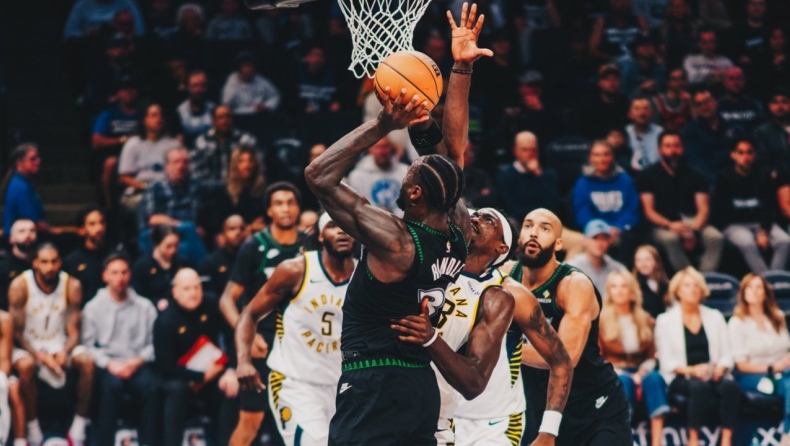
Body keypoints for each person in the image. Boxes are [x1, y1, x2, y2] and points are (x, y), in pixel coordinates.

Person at [304, 3, 486, 443]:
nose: (407, 170)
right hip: (419, 387)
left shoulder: (396, 240)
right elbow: (453, 155)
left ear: (416, 194)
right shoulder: (458, 233)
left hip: (373, 384)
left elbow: (318, 175)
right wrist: (461, 69)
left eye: (411, 173)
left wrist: (382, 124)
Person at [392, 208, 573, 446]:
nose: (475, 219)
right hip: (443, 412)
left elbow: (561, 361)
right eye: (475, 215)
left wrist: (549, 431)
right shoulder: (436, 270)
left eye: (488, 220)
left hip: (495, 423)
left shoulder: (511, 294)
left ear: (502, 247)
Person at [507, 208, 632, 445]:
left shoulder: (573, 284)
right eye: (528, 225)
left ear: (559, 244)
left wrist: (503, 348)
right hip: (538, 404)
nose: (534, 233)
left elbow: (565, 357)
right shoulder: (504, 276)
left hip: (594, 405)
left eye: (545, 229)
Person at [235, 213, 357, 445]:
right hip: (295, 383)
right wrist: (243, 360)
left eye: (347, 226)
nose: (342, 231)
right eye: (333, 226)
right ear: (320, 236)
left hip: (344, 386)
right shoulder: (295, 270)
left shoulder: (365, 276)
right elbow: (249, 314)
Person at [219, 181, 305, 446]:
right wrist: (248, 335)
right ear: (269, 210)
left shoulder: (310, 244)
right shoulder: (253, 246)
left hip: (301, 344)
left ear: (298, 208)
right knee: (250, 423)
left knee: (304, 420)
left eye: (290, 203)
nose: (285, 209)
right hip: (263, 343)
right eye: (279, 203)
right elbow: (226, 300)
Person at [8, 244, 94, 446]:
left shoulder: (71, 285)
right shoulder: (20, 285)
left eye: (54, 261)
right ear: (35, 263)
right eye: (44, 262)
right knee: (26, 365)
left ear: (60, 262)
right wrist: (41, 356)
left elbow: (74, 331)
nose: (50, 267)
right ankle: (33, 428)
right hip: (28, 346)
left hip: (60, 343)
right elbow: (17, 333)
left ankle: (78, 427)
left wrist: (65, 351)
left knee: (88, 362)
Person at [655, 267, 739, 446]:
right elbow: (666, 362)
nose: (692, 289)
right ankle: (693, 439)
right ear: (678, 291)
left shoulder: (715, 316)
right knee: (698, 387)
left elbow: (727, 354)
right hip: (682, 376)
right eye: (687, 285)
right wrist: (691, 370)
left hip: (712, 373)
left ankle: (726, 439)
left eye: (696, 286)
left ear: (702, 291)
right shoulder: (665, 320)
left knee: (730, 386)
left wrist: (720, 369)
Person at [82, 253, 159, 446]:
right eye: (114, 273)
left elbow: (154, 344)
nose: (120, 278)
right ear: (105, 276)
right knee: (111, 388)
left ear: (130, 275)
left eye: (124, 272)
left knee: (151, 387)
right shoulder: (93, 307)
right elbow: (87, 346)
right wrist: (109, 364)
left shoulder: (145, 306)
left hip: (137, 362)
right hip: (108, 363)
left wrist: (137, 362)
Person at [155, 268, 237, 445]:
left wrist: (231, 370)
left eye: (196, 287)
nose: (193, 293)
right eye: (186, 289)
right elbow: (166, 367)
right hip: (181, 377)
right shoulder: (164, 321)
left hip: (214, 371)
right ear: (175, 292)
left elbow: (233, 337)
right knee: (177, 391)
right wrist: (201, 376)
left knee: (231, 386)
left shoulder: (212, 304)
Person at [598, 270, 668, 446]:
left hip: (641, 369)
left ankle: (657, 442)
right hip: (614, 371)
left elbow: (652, 355)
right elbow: (598, 357)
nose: (619, 291)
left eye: (624, 286)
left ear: (631, 291)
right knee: (623, 382)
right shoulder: (601, 321)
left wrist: (641, 372)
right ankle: (625, 440)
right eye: (614, 287)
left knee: (655, 379)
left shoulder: (645, 318)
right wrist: (620, 371)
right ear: (609, 292)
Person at [637, 131, 723, 273]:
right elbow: (649, 211)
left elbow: (704, 209)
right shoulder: (648, 175)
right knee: (670, 239)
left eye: (676, 146)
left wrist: (693, 230)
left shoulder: (696, 174)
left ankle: (705, 278)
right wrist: (669, 225)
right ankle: (687, 277)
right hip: (663, 224)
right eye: (668, 146)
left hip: (692, 221)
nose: (673, 150)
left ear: (682, 148)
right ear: (659, 150)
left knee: (715, 237)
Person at [729, 273, 790, 446]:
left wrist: (786, 360)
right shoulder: (737, 322)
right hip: (752, 377)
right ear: (743, 293)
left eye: (758, 287)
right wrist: (772, 368)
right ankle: (788, 434)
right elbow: (741, 365)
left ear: (765, 293)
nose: (754, 291)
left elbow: (786, 349)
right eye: (749, 287)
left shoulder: (777, 317)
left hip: (783, 373)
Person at [711, 138, 790, 272]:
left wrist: (763, 231)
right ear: (733, 155)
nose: (745, 157)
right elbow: (721, 214)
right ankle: (765, 280)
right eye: (741, 153)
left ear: (754, 155)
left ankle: (774, 277)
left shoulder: (763, 177)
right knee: (748, 243)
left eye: (749, 152)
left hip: (760, 223)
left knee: (785, 241)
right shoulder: (724, 179)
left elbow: (768, 208)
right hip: (734, 225)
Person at [138, 147, 210, 262]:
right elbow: (153, 219)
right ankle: (204, 267)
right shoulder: (156, 188)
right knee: (189, 228)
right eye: (176, 162)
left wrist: (201, 228)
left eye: (185, 162)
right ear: (166, 166)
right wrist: (183, 226)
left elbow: (203, 216)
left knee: (189, 241)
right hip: (160, 235)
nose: (181, 166)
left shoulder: (195, 187)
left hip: (188, 237)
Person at [572, 141, 640, 253]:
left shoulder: (625, 180)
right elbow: (582, 212)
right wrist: (600, 230)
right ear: (590, 158)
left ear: (613, 157)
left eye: (606, 154)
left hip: (620, 232)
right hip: (594, 232)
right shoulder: (583, 182)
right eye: (597, 155)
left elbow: (632, 210)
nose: (602, 159)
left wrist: (618, 227)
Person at [118, 104, 182, 213]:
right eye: (154, 115)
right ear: (144, 120)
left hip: (169, 190)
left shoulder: (174, 144)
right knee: (148, 204)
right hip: (140, 191)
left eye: (160, 115)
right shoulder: (133, 144)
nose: (158, 119)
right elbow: (124, 177)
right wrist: (145, 187)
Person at [92, 78, 142, 209]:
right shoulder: (109, 114)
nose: (129, 92)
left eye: (132, 88)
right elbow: (96, 141)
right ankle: (108, 205)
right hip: (116, 154)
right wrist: (122, 140)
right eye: (125, 89)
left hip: (140, 154)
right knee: (110, 163)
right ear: (118, 93)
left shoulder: (142, 114)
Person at [681, 88, 745, 184]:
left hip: (735, 179)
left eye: (707, 102)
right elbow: (695, 163)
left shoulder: (734, 128)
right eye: (699, 104)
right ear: (695, 109)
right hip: (706, 182)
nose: (704, 107)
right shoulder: (689, 132)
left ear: (715, 102)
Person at [497, 131, 559, 222]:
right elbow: (514, 210)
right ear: (515, 151)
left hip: (545, 221)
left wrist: (538, 176)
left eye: (533, 150)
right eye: (525, 150)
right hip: (519, 223)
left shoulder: (548, 174)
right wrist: (540, 210)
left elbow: (553, 205)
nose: (530, 154)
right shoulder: (506, 176)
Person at [191, 105, 258, 185]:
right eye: (220, 117)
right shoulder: (202, 142)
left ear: (232, 119)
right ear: (213, 121)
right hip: (209, 188)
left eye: (228, 116)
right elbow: (195, 171)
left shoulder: (246, 140)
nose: (225, 120)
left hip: (240, 186)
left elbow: (258, 168)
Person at [132, 224, 190, 310]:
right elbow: (137, 296)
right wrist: (156, 302)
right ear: (156, 244)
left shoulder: (183, 264)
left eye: (176, 245)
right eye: (168, 246)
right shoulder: (142, 267)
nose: (173, 250)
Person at [346, 137, 409, 216]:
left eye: (385, 146)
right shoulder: (357, 176)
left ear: (391, 148)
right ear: (370, 150)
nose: (382, 152)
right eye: (378, 147)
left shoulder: (405, 172)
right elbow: (358, 208)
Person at [64, 206, 111, 306]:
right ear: (81, 230)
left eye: (102, 222)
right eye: (92, 224)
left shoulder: (115, 257)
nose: (99, 228)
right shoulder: (72, 261)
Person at [214, 146, 266, 233]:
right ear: (235, 165)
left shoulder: (262, 191)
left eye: (250, 160)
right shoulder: (225, 191)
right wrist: (249, 228)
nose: (247, 165)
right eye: (241, 161)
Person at [567, 220, 628, 293]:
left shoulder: (617, 269)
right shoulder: (572, 267)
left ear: (609, 241)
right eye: (595, 238)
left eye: (604, 238)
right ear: (585, 240)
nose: (600, 243)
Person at [2, 144, 48, 236]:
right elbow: (32, 221)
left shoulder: (23, 183)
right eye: (33, 159)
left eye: (38, 158)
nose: (38, 161)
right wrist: (51, 232)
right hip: (19, 238)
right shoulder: (20, 186)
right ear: (19, 162)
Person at [198, 215, 246, 298]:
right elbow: (208, 296)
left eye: (242, 229)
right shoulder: (210, 262)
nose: (238, 232)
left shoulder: (254, 259)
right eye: (232, 229)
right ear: (223, 233)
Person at [581, 64, 629, 139]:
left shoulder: (624, 102)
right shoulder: (588, 104)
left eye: (615, 79)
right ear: (599, 83)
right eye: (607, 79)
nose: (612, 83)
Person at [0, 219, 37, 311]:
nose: (28, 234)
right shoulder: (2, 266)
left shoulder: (44, 263)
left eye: (32, 230)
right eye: (22, 231)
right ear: (11, 238)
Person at [62, 0, 145, 39]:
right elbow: (69, 34)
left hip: (120, 47)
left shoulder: (127, 3)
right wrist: (87, 35)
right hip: (90, 49)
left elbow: (140, 32)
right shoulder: (82, 5)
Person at [753, 87, 790, 175]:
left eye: (784, 102)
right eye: (775, 102)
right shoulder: (761, 132)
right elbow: (762, 162)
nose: (780, 106)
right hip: (775, 178)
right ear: (769, 106)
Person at [717, 67, 764, 133]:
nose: (736, 83)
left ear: (744, 81)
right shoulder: (717, 106)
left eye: (739, 79)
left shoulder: (754, 105)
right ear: (725, 82)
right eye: (731, 79)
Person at [177, 70, 216, 147]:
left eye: (202, 85)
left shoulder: (214, 109)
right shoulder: (179, 112)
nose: (199, 90)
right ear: (188, 87)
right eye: (195, 86)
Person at [625, 96, 664, 171]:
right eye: (637, 109)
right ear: (630, 114)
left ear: (651, 113)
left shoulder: (660, 132)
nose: (642, 113)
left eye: (646, 108)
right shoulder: (625, 133)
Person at [633, 245, 669, 318]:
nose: (643, 264)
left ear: (656, 262)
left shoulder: (664, 284)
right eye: (639, 260)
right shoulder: (633, 285)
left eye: (647, 259)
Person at [651, 67, 692, 132]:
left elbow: (696, 124)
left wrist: (691, 103)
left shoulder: (689, 99)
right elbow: (655, 128)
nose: (679, 82)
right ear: (668, 82)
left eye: (681, 79)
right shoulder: (657, 101)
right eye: (675, 79)